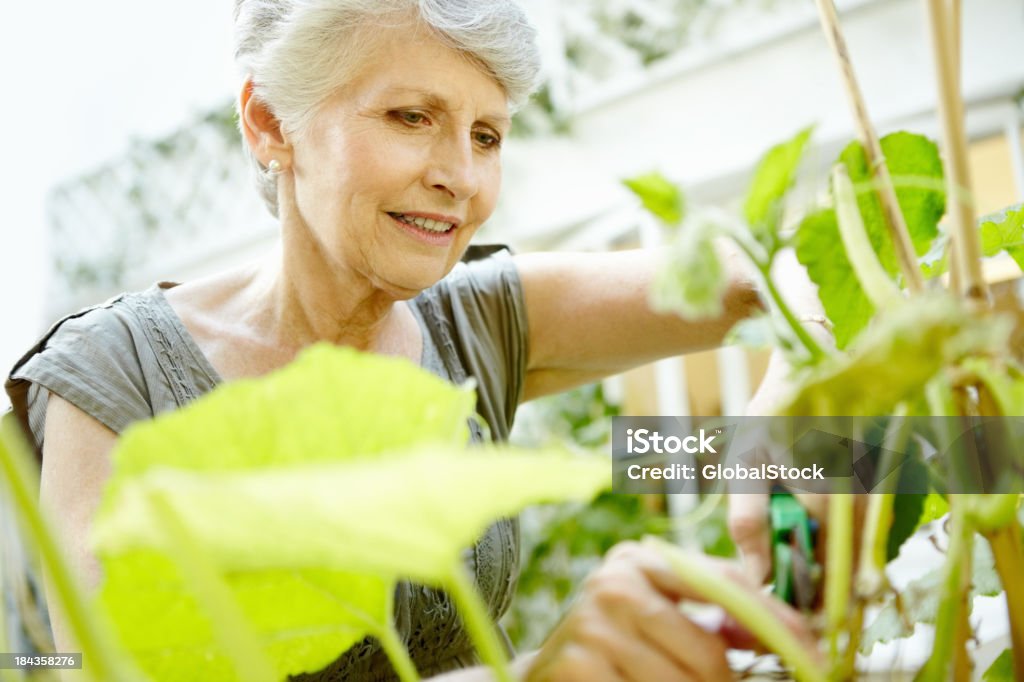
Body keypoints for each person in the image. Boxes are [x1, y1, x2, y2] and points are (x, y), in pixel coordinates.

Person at [5, 1, 825, 679]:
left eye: (486, 135)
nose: (461, 177)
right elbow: (94, 668)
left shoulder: (475, 317)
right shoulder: (115, 370)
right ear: (268, 122)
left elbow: (783, 270)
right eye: (411, 116)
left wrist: (792, 408)